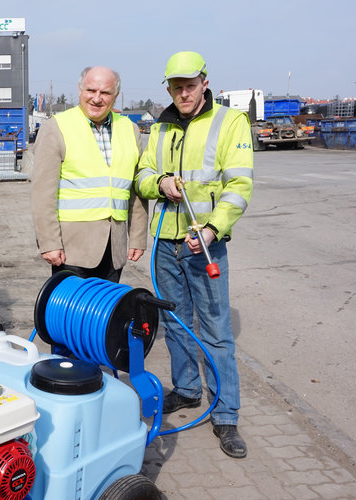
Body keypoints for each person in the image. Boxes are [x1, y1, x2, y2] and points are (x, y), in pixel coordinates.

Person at [135, 51, 253, 458]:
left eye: (190, 85)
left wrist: (211, 227)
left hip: (205, 243)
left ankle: (226, 416)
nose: (183, 93)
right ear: (168, 88)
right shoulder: (161, 127)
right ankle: (186, 390)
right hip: (165, 242)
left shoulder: (229, 122)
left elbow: (240, 185)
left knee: (216, 331)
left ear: (205, 82)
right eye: (176, 87)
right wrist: (162, 182)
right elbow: (143, 174)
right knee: (176, 323)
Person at [31, 66, 148, 283]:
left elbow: (136, 190)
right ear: (80, 90)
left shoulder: (129, 130)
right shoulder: (56, 128)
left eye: (104, 93)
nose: (96, 98)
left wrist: (138, 238)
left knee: (105, 313)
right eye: (90, 90)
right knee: (69, 315)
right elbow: (42, 194)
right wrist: (49, 243)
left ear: (116, 96)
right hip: (72, 249)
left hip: (114, 248)